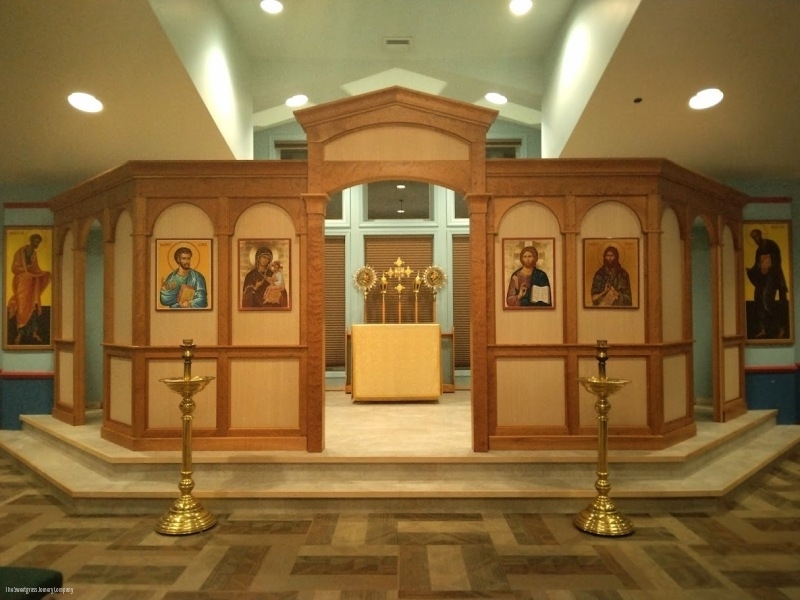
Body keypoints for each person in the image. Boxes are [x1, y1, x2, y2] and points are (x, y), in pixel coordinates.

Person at [7, 233, 51, 344]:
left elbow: (35, 269)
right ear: (31, 241)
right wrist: (26, 270)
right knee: (22, 306)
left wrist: (41, 273)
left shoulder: (34, 254)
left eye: (38, 243)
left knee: (33, 306)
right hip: (21, 281)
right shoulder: (20, 251)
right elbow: (14, 268)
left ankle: (34, 332)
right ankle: (20, 333)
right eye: (36, 242)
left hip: (31, 283)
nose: (37, 244)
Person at [746, 228, 788, 338]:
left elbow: (777, 259)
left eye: (756, 236)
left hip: (774, 276)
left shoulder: (771, 244)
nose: (756, 239)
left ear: (760, 235)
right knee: (758, 297)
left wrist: (768, 265)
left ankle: (780, 328)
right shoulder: (758, 250)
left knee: (766, 298)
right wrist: (752, 269)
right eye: (753, 238)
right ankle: (763, 328)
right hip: (763, 277)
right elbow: (757, 264)